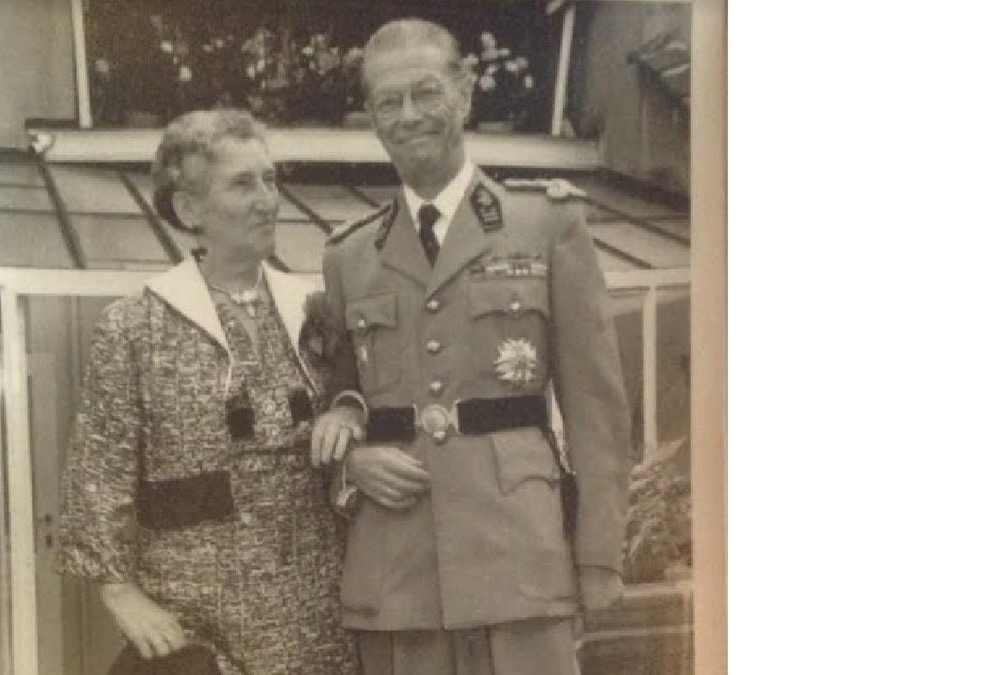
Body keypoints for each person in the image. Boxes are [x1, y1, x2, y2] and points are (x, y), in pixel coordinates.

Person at [310, 19, 631, 675]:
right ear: (372, 117)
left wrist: (599, 556)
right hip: (398, 571)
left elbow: (597, 408)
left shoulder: (545, 225)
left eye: (426, 93)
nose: (408, 116)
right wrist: (352, 463)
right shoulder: (348, 258)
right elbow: (333, 402)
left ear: (463, 92)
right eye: (388, 102)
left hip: (518, 557)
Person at [56, 109, 358, 675]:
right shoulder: (134, 326)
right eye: (242, 184)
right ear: (188, 208)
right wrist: (121, 594)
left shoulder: (314, 312)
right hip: (195, 624)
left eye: (270, 179)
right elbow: (98, 475)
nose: (268, 198)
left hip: (317, 619)